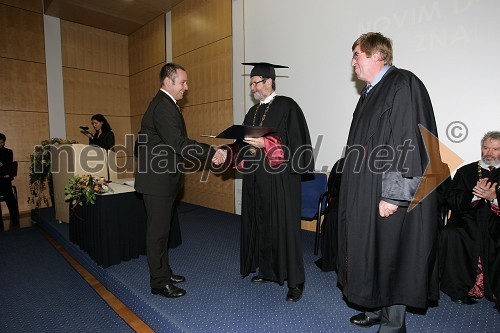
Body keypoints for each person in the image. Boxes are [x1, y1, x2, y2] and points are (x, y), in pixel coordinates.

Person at [336, 32, 440, 332]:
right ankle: (376, 307)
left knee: (393, 253)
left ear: (376, 55)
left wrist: (394, 196)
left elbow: (407, 140)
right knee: (374, 251)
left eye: (357, 55)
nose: (353, 62)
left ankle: (393, 324)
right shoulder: (371, 92)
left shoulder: (402, 84)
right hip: (367, 189)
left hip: (388, 191)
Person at [213, 62, 314, 302]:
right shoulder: (252, 112)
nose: (252, 88)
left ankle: (295, 282)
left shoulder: (288, 106)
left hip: (280, 182)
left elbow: (300, 149)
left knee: (284, 229)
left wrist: (267, 144)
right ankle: (268, 271)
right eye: (250, 84)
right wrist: (224, 153)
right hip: (256, 180)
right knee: (262, 225)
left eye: (255, 82)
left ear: (269, 81)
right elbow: (241, 146)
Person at [134, 63, 215, 299]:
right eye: (183, 82)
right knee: (157, 233)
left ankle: (164, 272)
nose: (186, 87)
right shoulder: (163, 106)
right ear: (168, 82)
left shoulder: (167, 104)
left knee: (163, 230)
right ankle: (159, 282)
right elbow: (179, 143)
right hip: (157, 181)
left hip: (163, 179)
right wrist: (211, 152)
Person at [440, 131, 500, 312]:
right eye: (485, 148)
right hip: (468, 218)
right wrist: (473, 195)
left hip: (496, 220)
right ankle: (459, 290)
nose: (488, 153)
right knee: (450, 234)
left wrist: (494, 198)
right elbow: (452, 199)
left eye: (495, 149)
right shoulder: (466, 171)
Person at [0, 133, 19, 228]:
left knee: (10, 198)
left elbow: (9, 166)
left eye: (1, 142)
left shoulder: (8, 152)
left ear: (4, 142)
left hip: (4, 179)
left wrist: (2, 165)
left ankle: (15, 219)